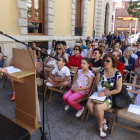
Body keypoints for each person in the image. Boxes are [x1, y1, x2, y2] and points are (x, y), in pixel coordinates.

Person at [86, 54, 122, 138]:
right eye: (104, 60)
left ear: (113, 62)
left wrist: (106, 92)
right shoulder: (101, 70)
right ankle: (103, 120)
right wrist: (103, 90)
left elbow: (118, 89)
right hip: (99, 93)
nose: (105, 62)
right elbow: (97, 83)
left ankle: (100, 128)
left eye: (108, 61)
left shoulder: (117, 74)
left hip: (111, 96)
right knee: (89, 104)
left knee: (98, 107)